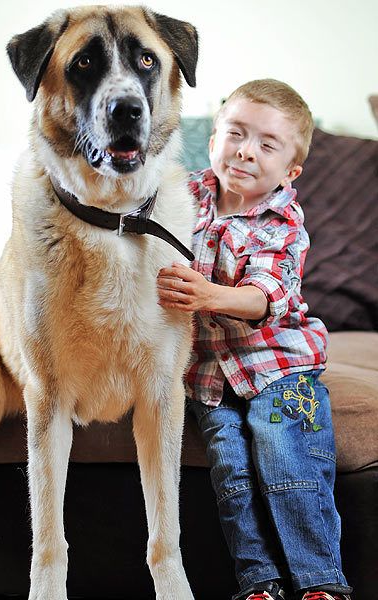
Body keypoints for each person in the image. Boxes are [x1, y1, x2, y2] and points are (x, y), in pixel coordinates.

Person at [156, 79, 352, 600]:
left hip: (278, 365)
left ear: (290, 170)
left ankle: (319, 582)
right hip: (207, 377)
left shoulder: (281, 221)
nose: (246, 151)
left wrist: (207, 295)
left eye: (267, 144)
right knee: (232, 471)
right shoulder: (180, 197)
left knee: (286, 457)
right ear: (214, 136)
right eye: (235, 134)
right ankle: (259, 582)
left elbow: (265, 297)